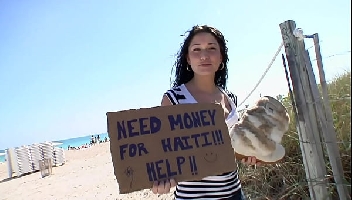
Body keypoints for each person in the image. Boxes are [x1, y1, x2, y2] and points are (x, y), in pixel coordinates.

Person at [152, 25, 260, 200]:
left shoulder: (230, 97)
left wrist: (248, 154)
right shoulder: (174, 99)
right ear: (188, 58)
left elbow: (231, 148)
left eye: (211, 48)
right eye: (196, 49)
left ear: (221, 57)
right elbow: (160, 151)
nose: (204, 55)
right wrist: (161, 177)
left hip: (235, 193)